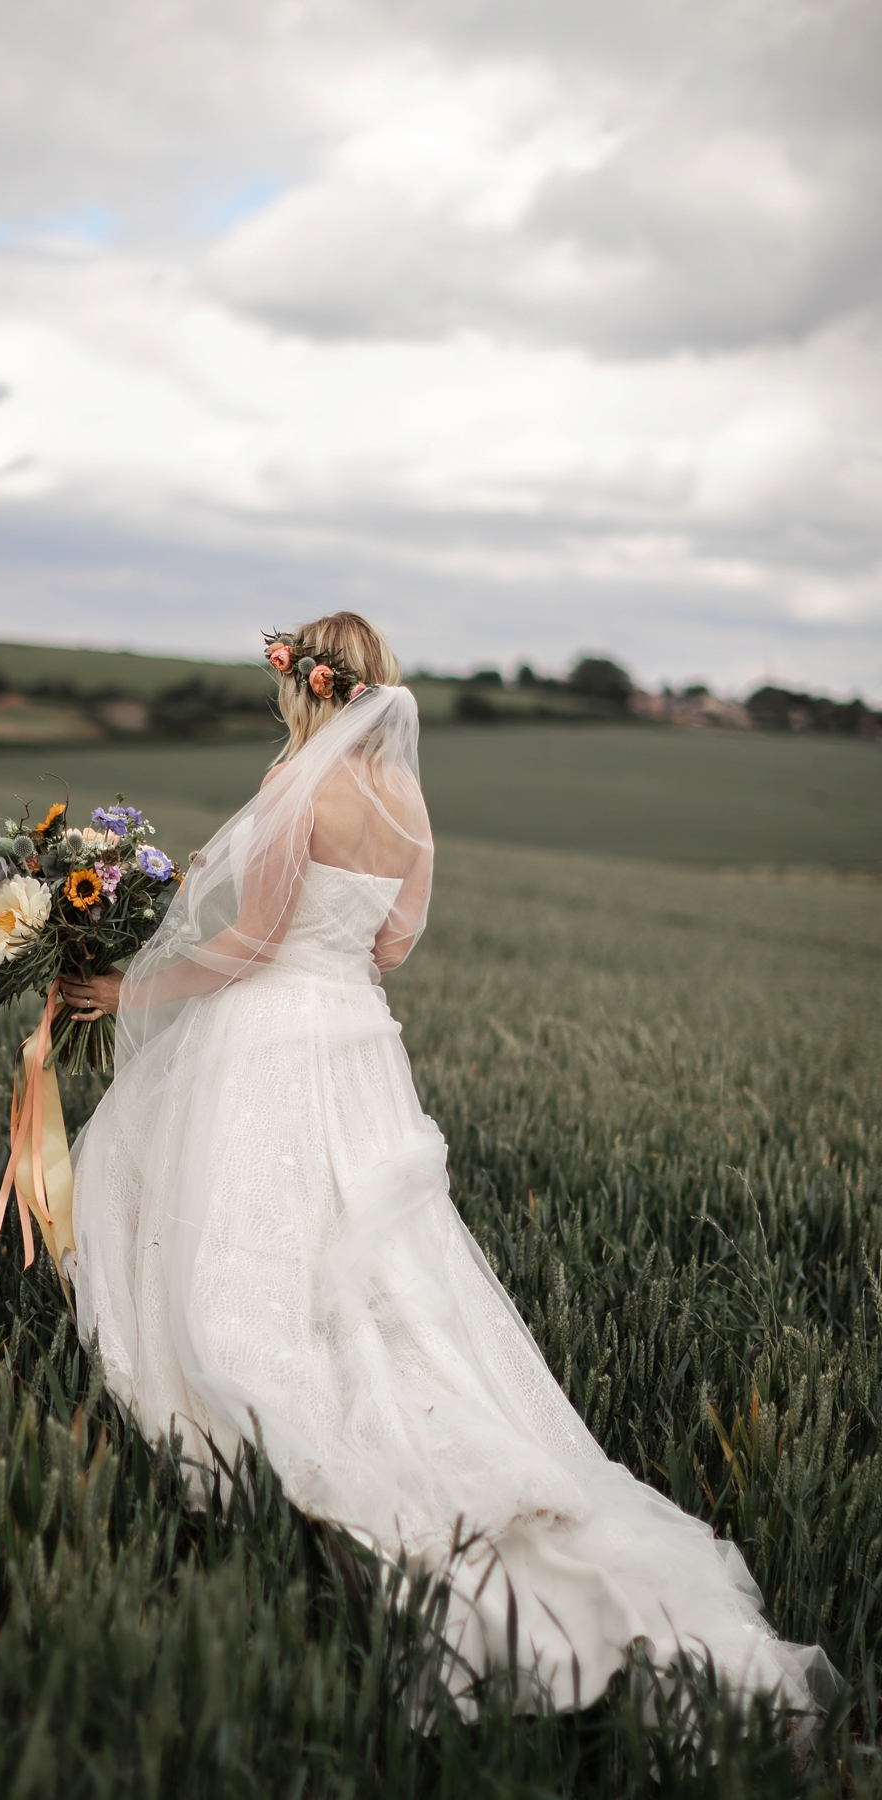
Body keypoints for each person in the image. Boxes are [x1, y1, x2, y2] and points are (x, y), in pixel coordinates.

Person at [59, 611, 831, 1717]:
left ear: (310, 688)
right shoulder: (406, 801)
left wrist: (127, 984)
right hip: (360, 1046)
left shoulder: (296, 789)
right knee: (384, 1278)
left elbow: (247, 946)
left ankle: (269, 1444)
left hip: (273, 1033)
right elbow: (393, 943)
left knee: (232, 1225)